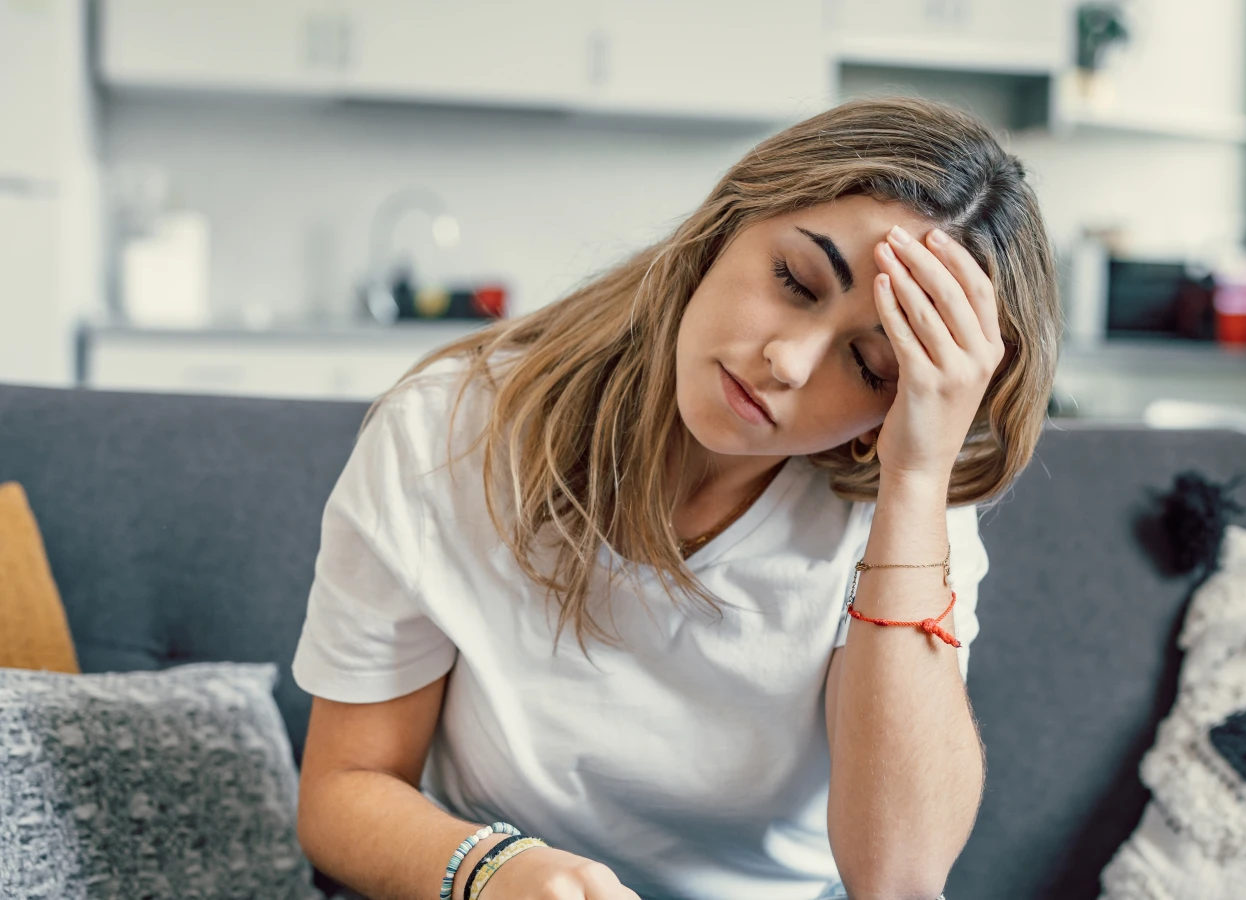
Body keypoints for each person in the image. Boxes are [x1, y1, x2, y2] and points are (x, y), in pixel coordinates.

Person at [292, 96, 1060, 900]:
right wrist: (491, 872)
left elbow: (898, 880)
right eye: (794, 281)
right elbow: (344, 790)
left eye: (870, 366)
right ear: (728, 223)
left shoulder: (908, 506)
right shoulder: (445, 431)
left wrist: (914, 482)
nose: (789, 362)